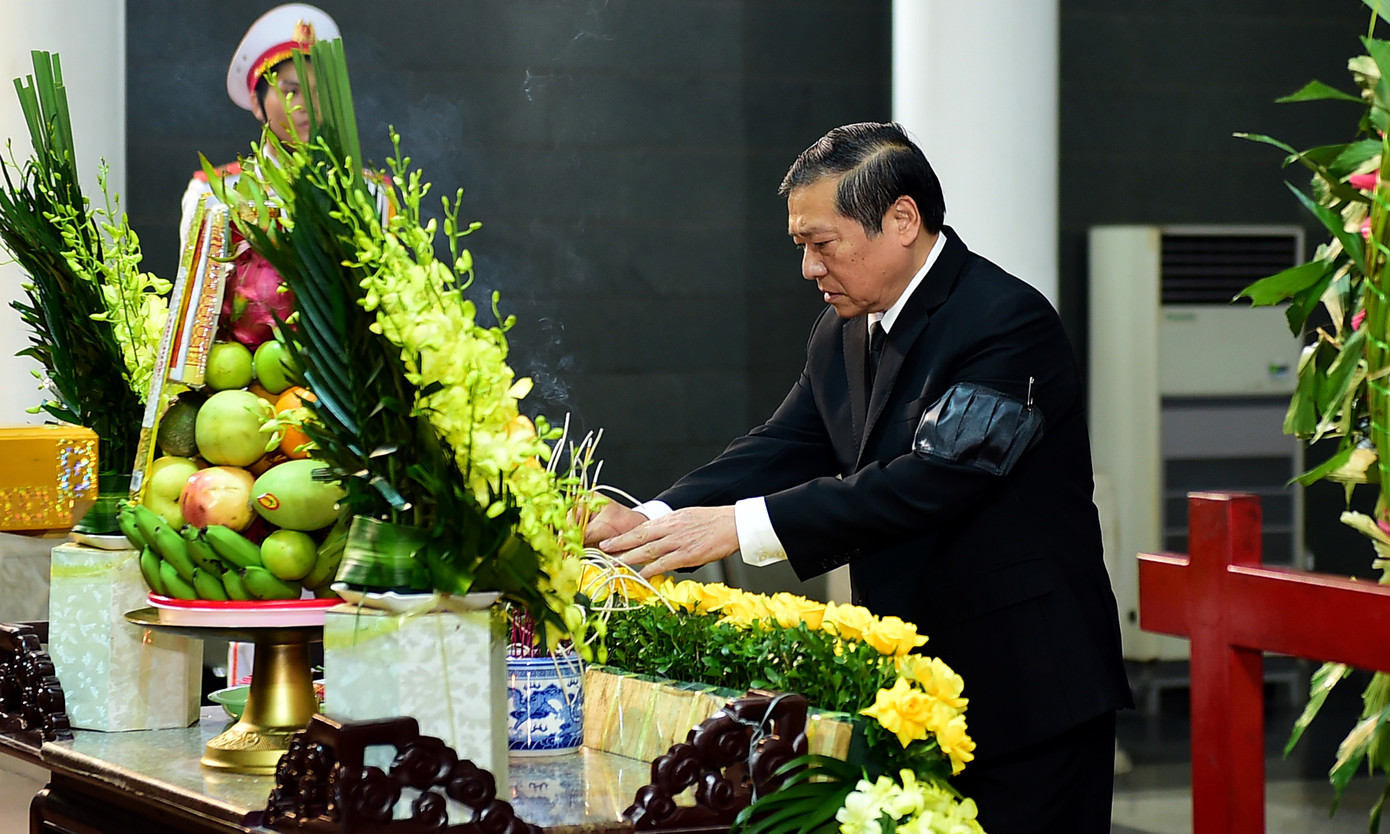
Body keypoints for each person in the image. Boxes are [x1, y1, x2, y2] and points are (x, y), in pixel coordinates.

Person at [586, 122, 1133, 833]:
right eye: (801, 247)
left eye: (822, 244)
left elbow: (933, 479)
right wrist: (651, 519)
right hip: (915, 689)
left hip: (1027, 690)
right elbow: (781, 444)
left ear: (902, 220)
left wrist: (739, 528)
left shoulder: (1005, 319)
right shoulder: (843, 329)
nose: (810, 269)